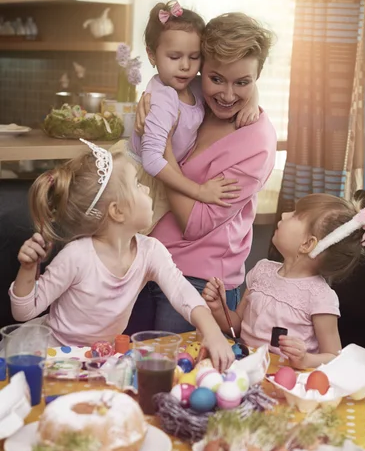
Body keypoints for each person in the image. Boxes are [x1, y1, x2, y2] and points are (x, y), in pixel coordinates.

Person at [8, 140, 235, 372]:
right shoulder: (77, 257)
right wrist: (28, 268)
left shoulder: (150, 251)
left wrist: (212, 331)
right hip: (53, 359)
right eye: (137, 185)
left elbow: (181, 291)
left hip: (100, 361)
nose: (147, 189)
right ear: (117, 211)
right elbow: (24, 311)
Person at [127, 12, 277, 335]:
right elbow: (164, 85)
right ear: (201, 69)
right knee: (130, 370)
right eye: (216, 78)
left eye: (243, 83)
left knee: (180, 380)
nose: (226, 95)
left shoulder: (256, 142)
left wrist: (161, 145)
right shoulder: (195, 98)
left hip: (199, 282)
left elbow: (194, 223)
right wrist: (149, 106)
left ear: (257, 77)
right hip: (145, 262)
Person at [202, 181, 365, 369]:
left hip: (287, 384)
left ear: (307, 244)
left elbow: (334, 356)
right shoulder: (262, 271)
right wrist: (219, 309)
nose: (284, 215)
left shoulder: (319, 297)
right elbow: (237, 327)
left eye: (294, 215)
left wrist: (305, 359)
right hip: (245, 372)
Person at [122, 0, 258, 233]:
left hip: (163, 175)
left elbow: (236, 77)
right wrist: (200, 191)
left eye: (194, 57)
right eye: (174, 57)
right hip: (141, 179)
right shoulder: (163, 99)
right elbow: (152, 161)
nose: (185, 66)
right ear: (152, 55)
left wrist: (253, 100)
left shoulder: (193, 86)